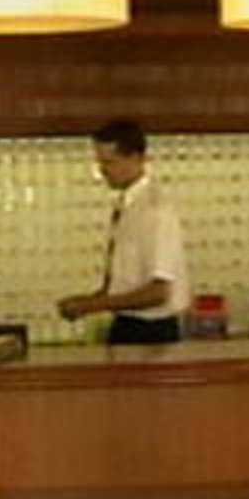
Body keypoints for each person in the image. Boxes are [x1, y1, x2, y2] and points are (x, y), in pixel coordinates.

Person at [55, 118, 190, 344]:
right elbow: (126, 281)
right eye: (100, 162)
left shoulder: (155, 211)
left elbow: (158, 292)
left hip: (152, 332)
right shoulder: (127, 207)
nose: (102, 171)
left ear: (136, 158)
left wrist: (93, 305)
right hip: (126, 324)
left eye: (109, 162)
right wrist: (89, 301)